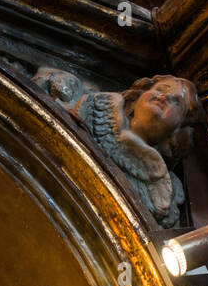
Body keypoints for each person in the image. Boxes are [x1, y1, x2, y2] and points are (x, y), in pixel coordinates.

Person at [70, 74, 199, 227]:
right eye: (160, 89)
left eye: (177, 102)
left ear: (178, 129)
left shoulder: (165, 187)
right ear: (138, 97)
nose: (165, 96)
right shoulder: (99, 107)